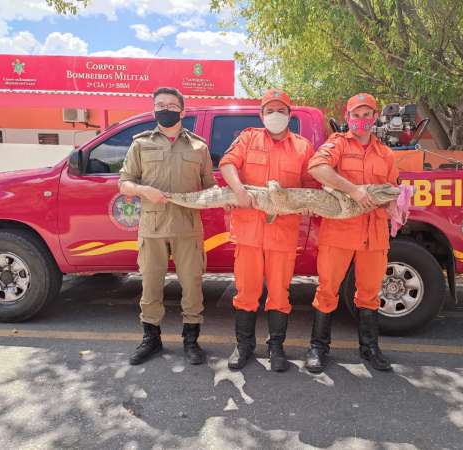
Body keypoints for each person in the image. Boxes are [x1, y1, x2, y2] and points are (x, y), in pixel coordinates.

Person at [219, 88, 317, 372]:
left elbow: (309, 184)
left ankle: (276, 347)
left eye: (281, 110)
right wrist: (238, 190)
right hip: (249, 232)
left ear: (289, 115)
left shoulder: (302, 147)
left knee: (279, 293)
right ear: (261, 115)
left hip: (283, 235)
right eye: (270, 110)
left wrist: (309, 201)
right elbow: (227, 164)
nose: (276, 115)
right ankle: (244, 346)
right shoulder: (248, 139)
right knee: (246, 292)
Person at [119, 87, 216, 366]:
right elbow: (124, 183)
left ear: (182, 111)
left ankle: (191, 340)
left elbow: (210, 186)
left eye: (171, 105)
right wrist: (143, 191)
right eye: (160, 104)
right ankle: (151, 339)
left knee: (192, 286)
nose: (165, 109)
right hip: (153, 227)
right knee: (150, 285)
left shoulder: (199, 147)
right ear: (153, 109)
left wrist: (224, 198)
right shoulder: (140, 144)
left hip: (188, 227)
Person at [304, 93, 399, 373]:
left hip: (375, 232)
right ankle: (318, 348)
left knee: (370, 293)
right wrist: (354, 190)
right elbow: (317, 168)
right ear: (348, 118)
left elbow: (393, 186)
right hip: (341, 231)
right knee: (327, 290)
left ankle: (369, 348)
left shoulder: (386, 153)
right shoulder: (337, 144)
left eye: (366, 115)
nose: (361, 120)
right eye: (356, 115)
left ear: (375, 117)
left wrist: (396, 204)